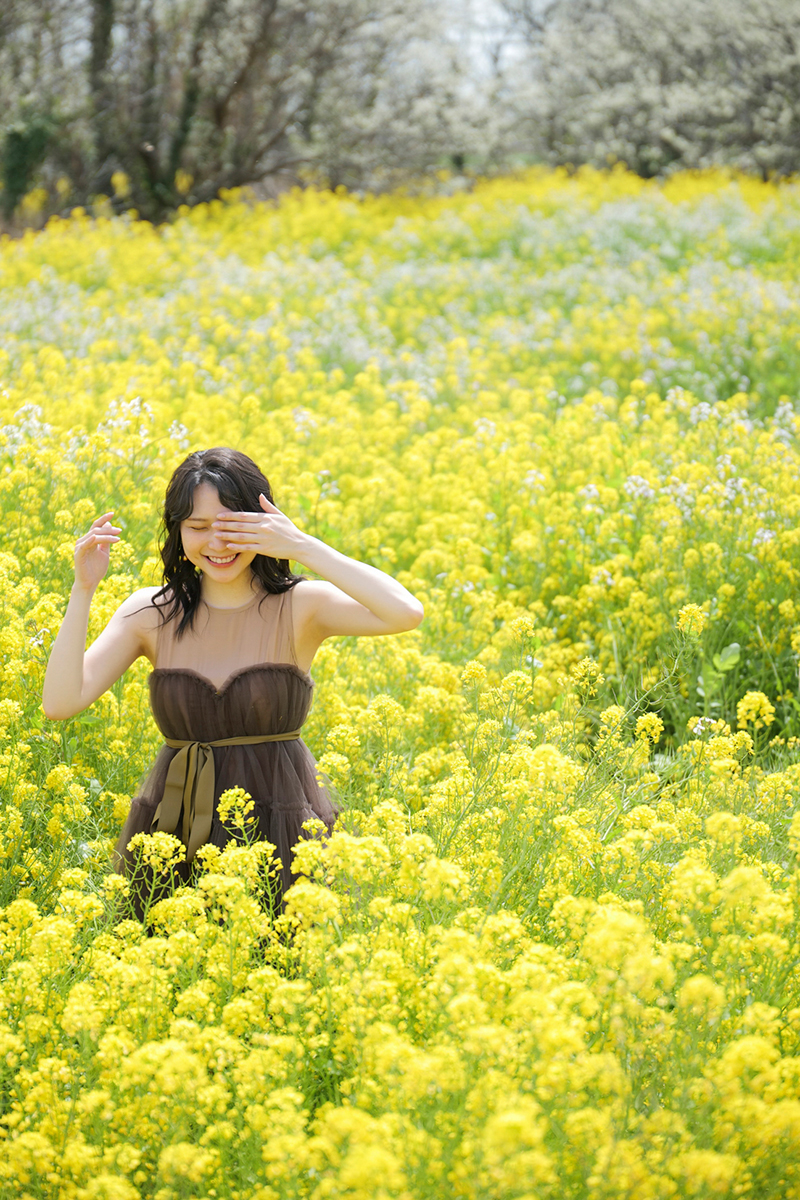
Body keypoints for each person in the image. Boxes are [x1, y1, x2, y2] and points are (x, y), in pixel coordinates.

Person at [42, 447, 424, 910]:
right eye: (198, 528)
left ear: (262, 525)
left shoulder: (300, 607)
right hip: (175, 827)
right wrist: (83, 588)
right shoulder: (151, 613)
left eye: (231, 526)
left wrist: (302, 545)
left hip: (280, 826)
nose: (216, 544)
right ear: (177, 530)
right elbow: (60, 703)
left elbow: (406, 612)